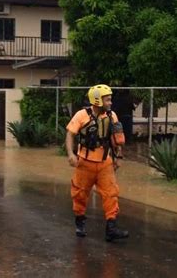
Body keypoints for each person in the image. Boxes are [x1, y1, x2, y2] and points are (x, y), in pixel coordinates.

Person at [65, 84, 128, 242]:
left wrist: (119, 157)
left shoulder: (111, 116)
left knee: (111, 194)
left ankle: (111, 228)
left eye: (110, 99)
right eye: (107, 100)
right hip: (84, 163)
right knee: (79, 194)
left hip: (105, 164)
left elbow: (117, 139)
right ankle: (80, 221)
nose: (110, 102)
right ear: (97, 100)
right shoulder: (82, 115)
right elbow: (70, 134)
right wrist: (71, 154)